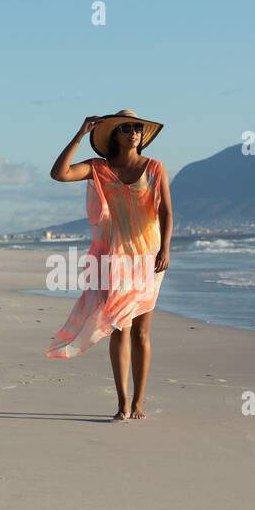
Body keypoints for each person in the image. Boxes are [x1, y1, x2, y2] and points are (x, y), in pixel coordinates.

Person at [46, 109, 173, 421]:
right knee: (119, 326)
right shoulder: (99, 168)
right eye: (126, 128)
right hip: (115, 257)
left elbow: (166, 212)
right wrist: (80, 134)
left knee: (141, 331)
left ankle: (139, 402)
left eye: (137, 127)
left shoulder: (154, 168)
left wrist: (166, 249)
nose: (134, 132)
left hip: (149, 257)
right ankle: (122, 402)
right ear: (114, 134)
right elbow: (59, 174)